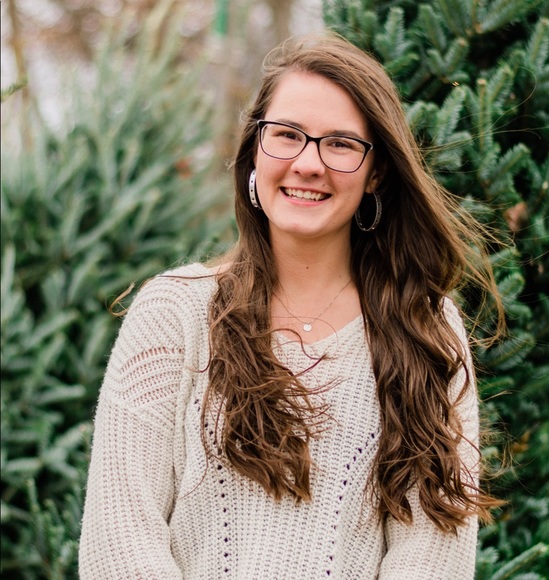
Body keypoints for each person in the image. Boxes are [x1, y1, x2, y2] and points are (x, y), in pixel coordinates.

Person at [79, 32, 503, 579]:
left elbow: (434, 553)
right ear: (256, 148)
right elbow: (118, 540)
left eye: (340, 144)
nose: (308, 163)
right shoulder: (174, 313)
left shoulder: (424, 326)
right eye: (287, 135)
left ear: (376, 171)